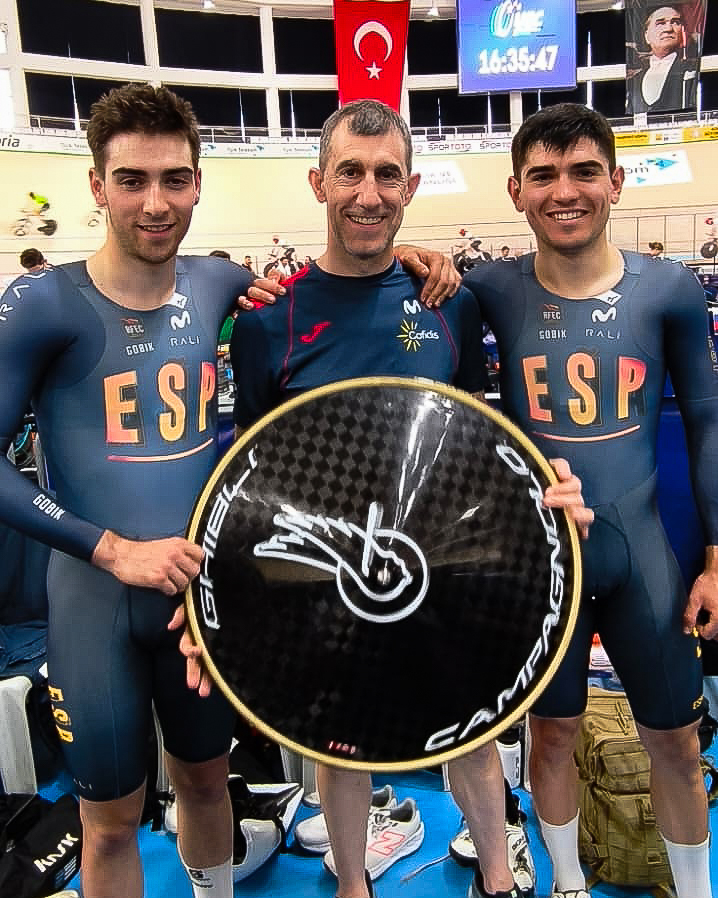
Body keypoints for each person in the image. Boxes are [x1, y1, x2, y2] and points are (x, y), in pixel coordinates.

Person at [185, 99, 592, 898]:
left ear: (410, 187)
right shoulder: (269, 323)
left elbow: (479, 438)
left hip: (439, 560)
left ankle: (499, 879)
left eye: (385, 175)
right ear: (319, 184)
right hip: (325, 570)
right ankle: (353, 886)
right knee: (338, 739)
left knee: (471, 730)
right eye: (350, 173)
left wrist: (542, 490)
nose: (367, 194)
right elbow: (251, 477)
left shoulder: (447, 300)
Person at [0, 82, 285, 898]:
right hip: (94, 607)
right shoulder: (43, 303)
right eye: (132, 180)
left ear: (198, 184)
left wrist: (417, 260)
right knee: (109, 821)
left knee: (209, 783)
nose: (155, 204)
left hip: (196, 602)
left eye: (173, 180)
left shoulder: (217, 282)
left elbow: (336, 288)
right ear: (97, 186)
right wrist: (110, 548)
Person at [439, 102, 718, 898]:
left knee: (677, 742)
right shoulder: (490, 287)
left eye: (585, 171)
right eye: (544, 175)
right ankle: (567, 884)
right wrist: (424, 255)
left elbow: (707, 421)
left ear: (616, 183)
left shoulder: (669, 289)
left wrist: (716, 561)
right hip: (541, 565)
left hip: (640, 556)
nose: (566, 191)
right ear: (516, 191)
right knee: (552, 732)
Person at [626, 4, 699, 114]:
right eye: (660, 23)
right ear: (646, 35)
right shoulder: (633, 81)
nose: (668, 29)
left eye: (676, 22)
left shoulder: (692, 70)